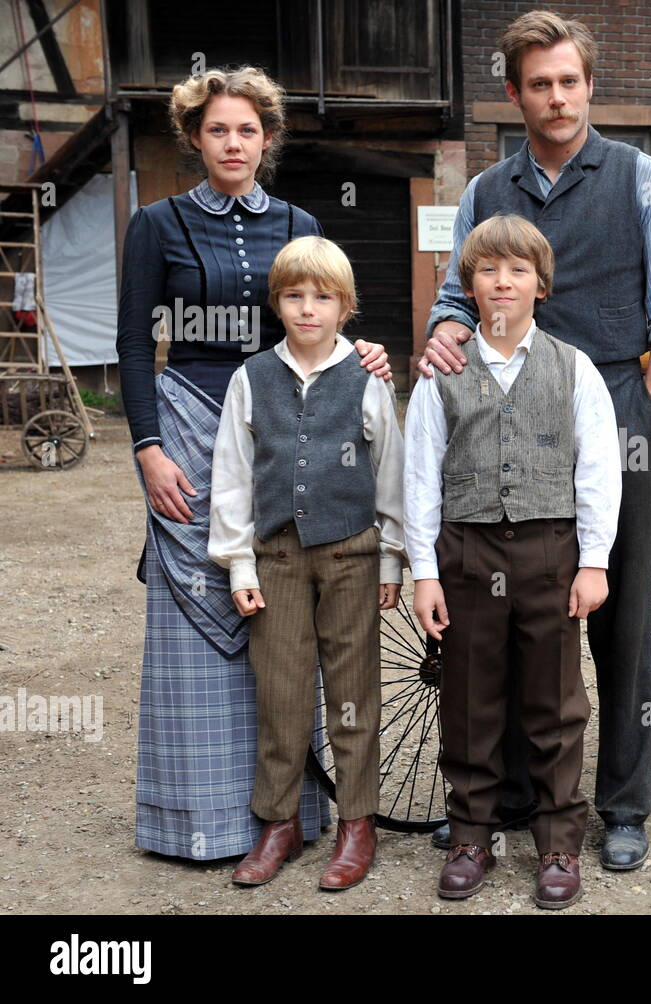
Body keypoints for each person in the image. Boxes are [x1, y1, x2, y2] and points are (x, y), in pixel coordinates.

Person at [419, 9, 651, 872]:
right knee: (502, 614)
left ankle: (619, 805)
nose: (557, 96)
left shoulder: (641, 177)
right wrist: (441, 333)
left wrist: (635, 418)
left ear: (589, 86)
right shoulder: (483, 192)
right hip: (500, 413)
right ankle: (505, 800)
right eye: (539, 83)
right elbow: (454, 303)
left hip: (612, 400)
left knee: (614, 613)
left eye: (569, 80)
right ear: (515, 94)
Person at [116, 67, 391, 861]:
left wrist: (362, 354)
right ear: (194, 139)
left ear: (267, 140)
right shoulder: (156, 224)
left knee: (286, 625)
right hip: (189, 429)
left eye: (246, 130)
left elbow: (322, 319)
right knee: (199, 621)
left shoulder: (301, 220)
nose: (232, 143)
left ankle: (297, 816)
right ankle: (201, 820)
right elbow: (137, 343)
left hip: (281, 431)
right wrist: (146, 448)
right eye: (216, 130)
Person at [406, 214, 621, 908]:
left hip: (549, 553)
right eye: (489, 269)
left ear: (541, 285)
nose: (503, 281)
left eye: (518, 270)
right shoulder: (443, 372)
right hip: (466, 552)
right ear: (468, 285)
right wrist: (424, 571)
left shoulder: (572, 367)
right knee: (469, 698)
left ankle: (558, 844)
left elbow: (599, 470)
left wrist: (594, 561)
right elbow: (417, 476)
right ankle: (473, 834)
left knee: (554, 703)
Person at [208, 236, 405, 889]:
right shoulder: (252, 378)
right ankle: (279, 822)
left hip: (351, 552)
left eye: (322, 297)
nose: (307, 308)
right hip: (277, 556)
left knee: (352, 695)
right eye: (294, 296)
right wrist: (239, 564)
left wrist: (392, 559)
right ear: (278, 303)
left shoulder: (367, 376)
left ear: (344, 306)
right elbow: (233, 476)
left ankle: (356, 823)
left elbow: (390, 473)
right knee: (281, 690)